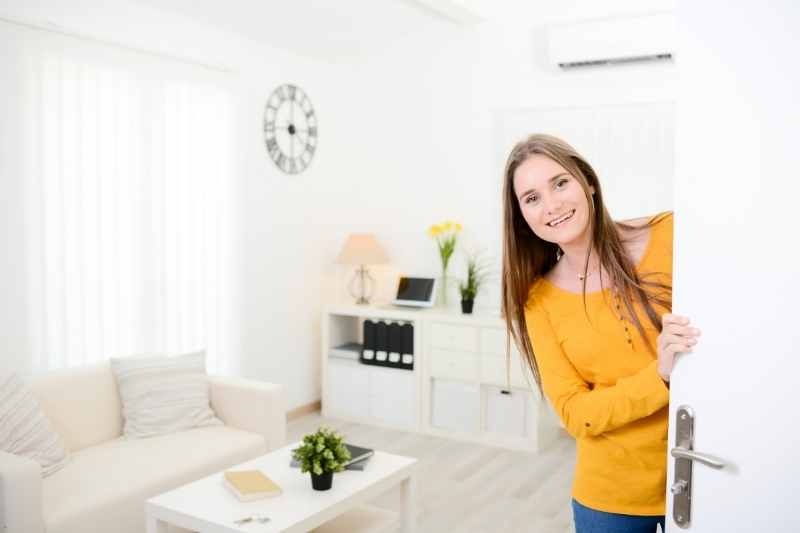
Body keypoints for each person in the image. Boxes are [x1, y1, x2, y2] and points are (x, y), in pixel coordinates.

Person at [500, 134, 701, 533]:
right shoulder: (539, 302)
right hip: (611, 501)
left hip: (707, 473)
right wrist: (657, 376)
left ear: (587, 181)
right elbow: (576, 414)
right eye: (532, 198)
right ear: (522, 216)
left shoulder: (671, 234)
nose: (552, 205)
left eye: (560, 183)